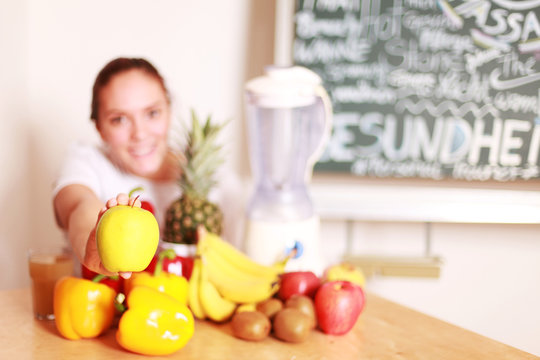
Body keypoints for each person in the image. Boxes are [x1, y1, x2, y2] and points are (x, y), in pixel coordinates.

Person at [53, 58, 189, 279]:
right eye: (119, 119)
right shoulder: (86, 161)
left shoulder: (206, 182)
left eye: (152, 113)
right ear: (99, 128)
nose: (140, 134)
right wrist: (93, 236)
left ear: (169, 111)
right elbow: (79, 204)